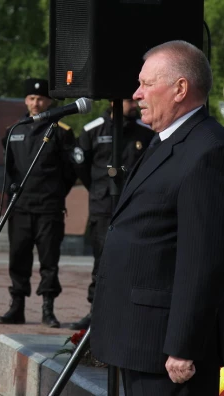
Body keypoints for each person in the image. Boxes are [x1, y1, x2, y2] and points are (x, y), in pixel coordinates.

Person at [89, 40, 224, 394]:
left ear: (180, 89)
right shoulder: (165, 139)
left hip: (167, 351)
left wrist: (183, 345)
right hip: (139, 339)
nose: (137, 94)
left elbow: (204, 260)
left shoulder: (210, 150)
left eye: (146, 84)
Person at [0, 78, 77, 328]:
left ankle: (47, 309)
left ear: (49, 101)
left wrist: (54, 193)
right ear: (25, 101)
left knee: (49, 261)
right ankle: (16, 307)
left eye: (40, 99)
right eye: (31, 98)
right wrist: (11, 188)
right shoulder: (14, 129)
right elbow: (8, 167)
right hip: (20, 208)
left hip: (48, 209)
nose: (36, 103)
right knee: (18, 258)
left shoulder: (60, 131)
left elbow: (70, 171)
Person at [69, 99, 154, 330]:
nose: (134, 103)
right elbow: (81, 166)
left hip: (136, 208)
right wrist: (98, 189)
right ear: (113, 100)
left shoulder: (146, 132)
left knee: (136, 262)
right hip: (103, 207)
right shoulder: (93, 129)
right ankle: (96, 313)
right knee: (102, 262)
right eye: (129, 100)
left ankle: (130, 314)